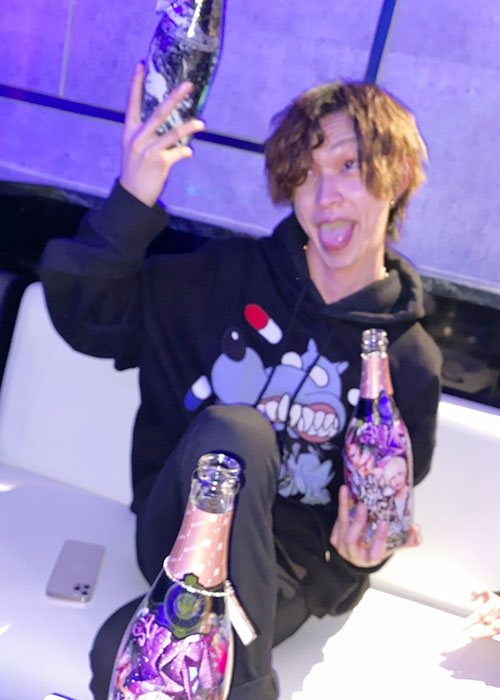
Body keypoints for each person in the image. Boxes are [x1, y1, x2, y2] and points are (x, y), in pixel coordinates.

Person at [39, 63, 442, 699]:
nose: (324, 196)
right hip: (174, 537)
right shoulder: (220, 281)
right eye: (305, 173)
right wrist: (132, 199)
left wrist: (355, 562)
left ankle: (232, 673)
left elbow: (377, 513)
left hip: (287, 576)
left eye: (348, 166)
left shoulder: (408, 361)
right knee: (235, 432)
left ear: (395, 178)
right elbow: (90, 318)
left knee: (121, 650)